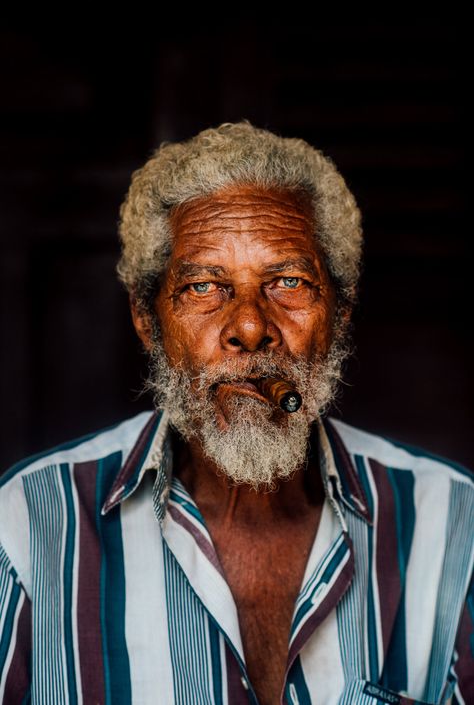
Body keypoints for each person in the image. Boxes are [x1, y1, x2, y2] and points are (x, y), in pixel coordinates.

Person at [0, 121, 472, 705]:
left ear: (340, 312)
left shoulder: (453, 524)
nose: (250, 328)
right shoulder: (25, 527)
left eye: (289, 282)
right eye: (204, 288)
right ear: (149, 322)